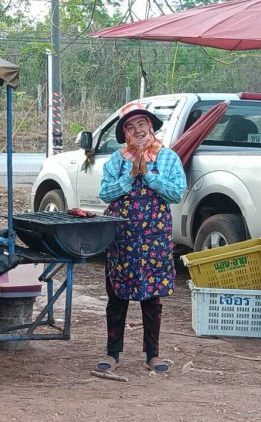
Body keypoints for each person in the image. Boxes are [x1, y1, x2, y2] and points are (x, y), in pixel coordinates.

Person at [96, 102, 186, 375]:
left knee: (152, 297)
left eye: (142, 125)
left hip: (154, 236)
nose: (137, 131)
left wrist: (148, 176)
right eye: (130, 127)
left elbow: (176, 193)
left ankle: (153, 355)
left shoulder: (169, 158)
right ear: (125, 133)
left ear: (151, 128)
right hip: (122, 237)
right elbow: (105, 193)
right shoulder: (116, 160)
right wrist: (130, 175)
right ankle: (113, 355)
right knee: (117, 295)